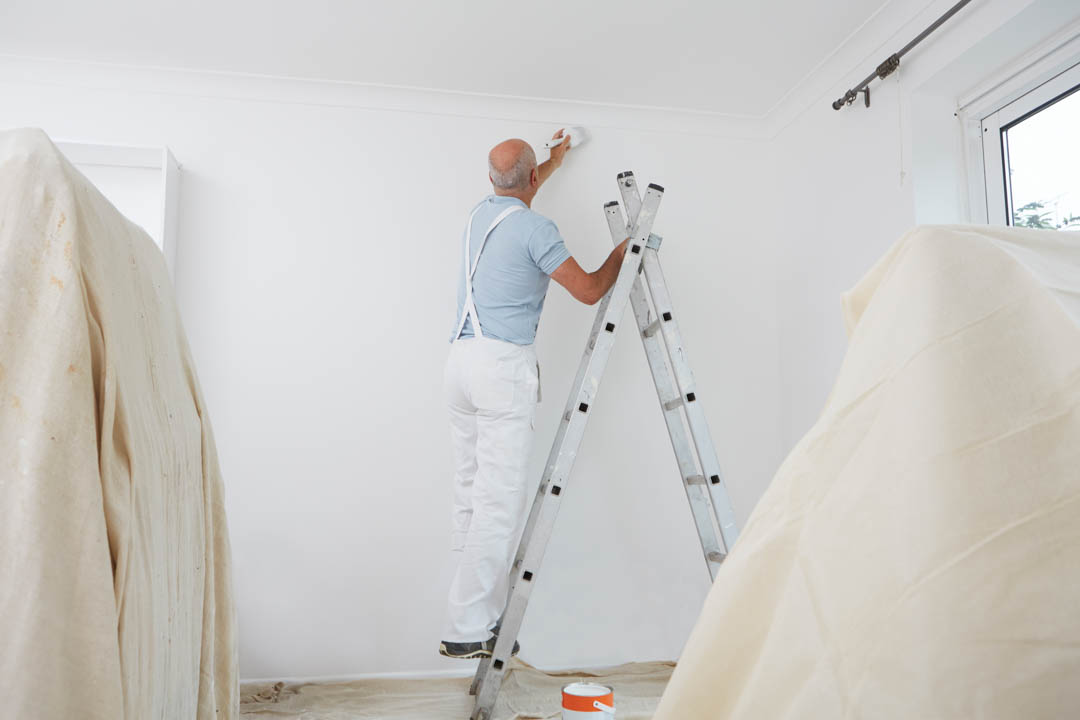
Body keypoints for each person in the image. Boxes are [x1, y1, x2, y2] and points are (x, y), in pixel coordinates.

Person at [439, 129, 629, 659]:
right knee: (498, 502)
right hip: (500, 368)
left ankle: (478, 615)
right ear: (526, 180)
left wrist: (554, 161)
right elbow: (590, 290)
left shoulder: (481, 213)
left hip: (459, 364)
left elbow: (522, 185)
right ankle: (465, 627)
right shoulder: (535, 229)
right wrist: (624, 249)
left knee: (470, 496)